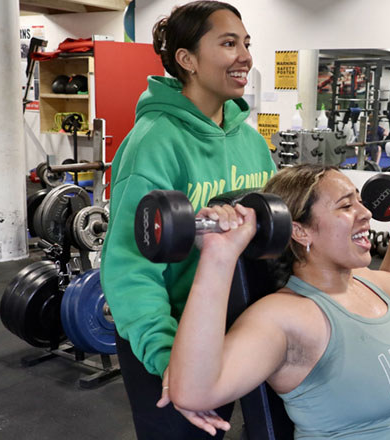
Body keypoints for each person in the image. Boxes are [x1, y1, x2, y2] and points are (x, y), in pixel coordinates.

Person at [99, 2, 276, 439]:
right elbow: (129, 267)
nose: (245, 56)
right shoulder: (154, 143)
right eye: (228, 43)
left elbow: (274, 238)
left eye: (247, 44)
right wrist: (167, 360)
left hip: (236, 330)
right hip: (173, 336)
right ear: (187, 60)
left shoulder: (252, 143)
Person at [168, 165, 390, 439]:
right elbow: (194, 393)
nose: (366, 213)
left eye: (360, 201)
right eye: (346, 206)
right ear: (301, 232)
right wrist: (218, 257)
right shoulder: (286, 316)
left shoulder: (363, 283)